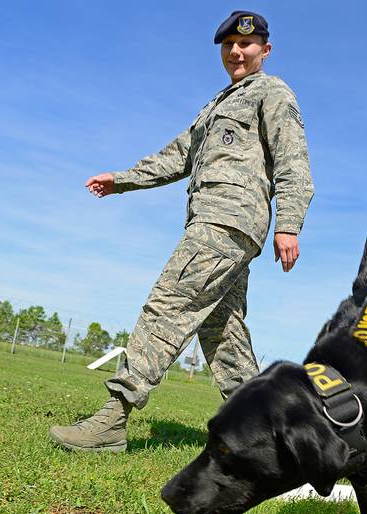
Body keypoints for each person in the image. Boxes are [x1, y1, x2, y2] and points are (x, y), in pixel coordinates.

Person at [50, 10, 314, 452]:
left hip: (227, 221)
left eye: (245, 44)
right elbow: (178, 155)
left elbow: (294, 162)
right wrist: (123, 180)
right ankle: (267, 436)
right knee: (223, 333)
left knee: (169, 304)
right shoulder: (216, 106)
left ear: (265, 50)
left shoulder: (272, 92)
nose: (235, 51)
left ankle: (114, 417)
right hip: (216, 221)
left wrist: (288, 224)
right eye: (227, 45)